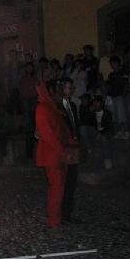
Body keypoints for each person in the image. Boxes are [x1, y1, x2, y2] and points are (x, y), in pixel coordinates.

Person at [35, 81, 72, 229]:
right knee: (56, 189)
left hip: (58, 154)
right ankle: (53, 221)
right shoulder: (43, 109)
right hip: (52, 155)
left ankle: (57, 218)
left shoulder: (51, 108)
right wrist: (63, 152)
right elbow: (48, 135)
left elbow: (61, 130)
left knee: (58, 188)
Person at [58, 78, 82, 223]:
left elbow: (75, 125)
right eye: (68, 87)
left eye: (71, 88)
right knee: (64, 181)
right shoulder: (57, 106)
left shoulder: (72, 105)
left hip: (73, 147)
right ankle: (62, 213)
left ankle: (68, 213)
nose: (70, 90)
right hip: (64, 147)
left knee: (72, 180)